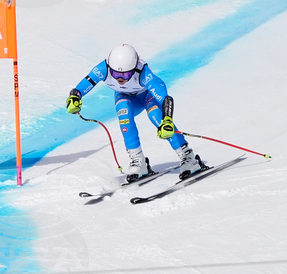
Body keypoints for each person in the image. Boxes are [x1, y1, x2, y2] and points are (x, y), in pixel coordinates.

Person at [65, 44, 207, 182]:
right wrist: (75, 97)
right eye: (115, 74)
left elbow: (165, 99)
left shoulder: (143, 72)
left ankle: (188, 157)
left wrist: (167, 120)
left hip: (148, 95)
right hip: (125, 96)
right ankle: (138, 161)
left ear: (134, 69)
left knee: (157, 117)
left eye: (126, 74)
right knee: (124, 117)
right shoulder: (103, 68)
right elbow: (81, 87)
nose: (120, 79)